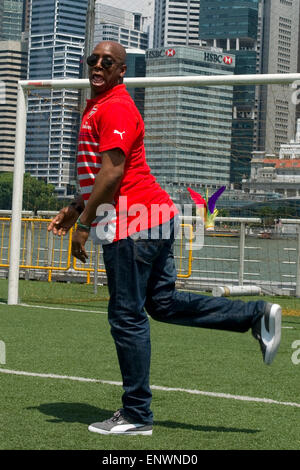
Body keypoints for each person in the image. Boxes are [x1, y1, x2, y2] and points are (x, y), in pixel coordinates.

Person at [48, 41, 282, 436]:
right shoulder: (97, 106)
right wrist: (75, 206)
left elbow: (113, 174)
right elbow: (97, 171)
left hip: (134, 223)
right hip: (150, 218)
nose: (99, 65)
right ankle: (255, 316)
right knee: (163, 303)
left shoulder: (117, 106)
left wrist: (84, 225)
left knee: (126, 316)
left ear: (122, 71)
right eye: (94, 59)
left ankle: (137, 414)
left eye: (109, 62)